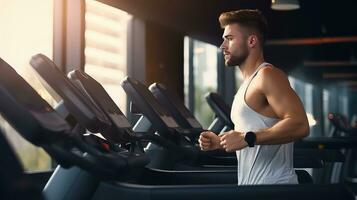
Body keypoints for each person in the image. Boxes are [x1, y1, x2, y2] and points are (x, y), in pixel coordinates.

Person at [198, 9, 309, 185]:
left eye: (229, 39)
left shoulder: (268, 75)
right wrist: (221, 142)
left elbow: (300, 125)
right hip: (255, 189)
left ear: (251, 41)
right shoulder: (247, 84)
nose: (222, 46)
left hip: (275, 190)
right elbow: (253, 131)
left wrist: (246, 138)